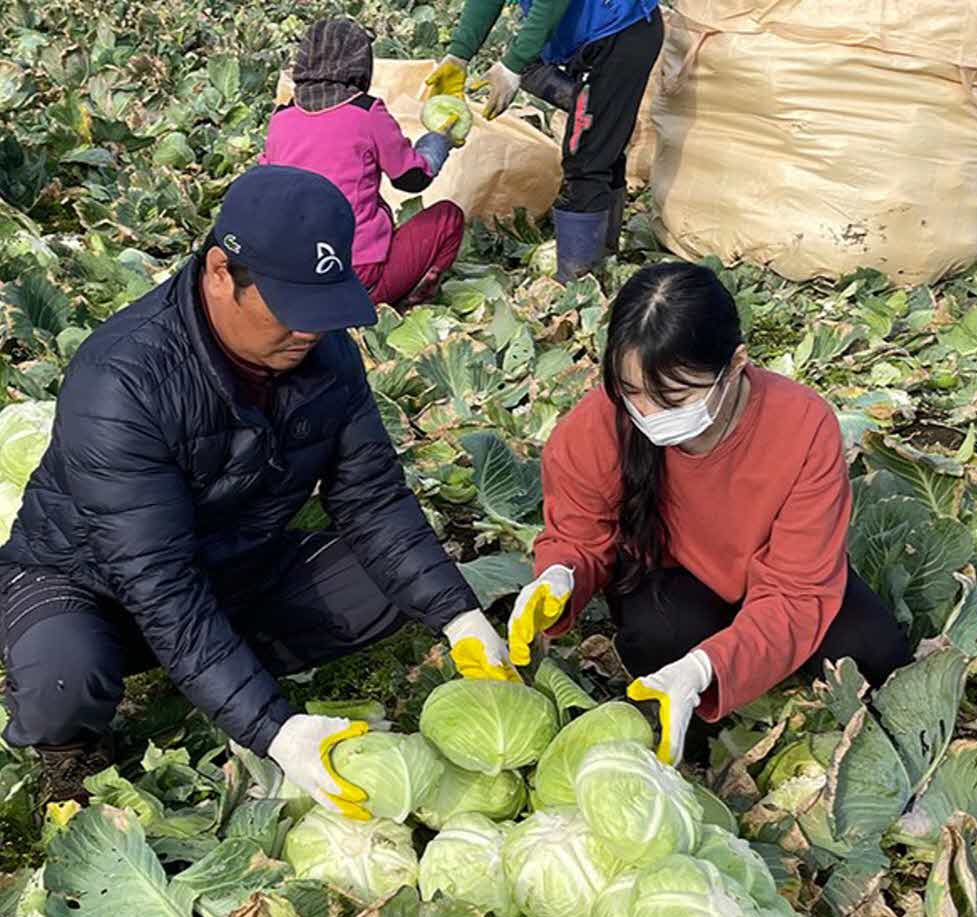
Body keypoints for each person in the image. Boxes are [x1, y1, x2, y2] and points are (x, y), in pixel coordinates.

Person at [0, 165, 516, 812]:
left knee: (383, 582)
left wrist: (457, 614)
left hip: (231, 564)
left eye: (323, 308)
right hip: (89, 582)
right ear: (220, 272)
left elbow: (372, 498)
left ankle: (220, 669)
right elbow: (158, 580)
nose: (309, 331)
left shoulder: (324, 352)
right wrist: (275, 730)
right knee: (62, 678)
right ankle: (74, 750)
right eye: (291, 308)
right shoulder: (122, 380)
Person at [506, 262, 911, 764]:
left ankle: (729, 668)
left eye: (675, 397)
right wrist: (560, 577)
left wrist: (704, 669)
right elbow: (580, 536)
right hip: (675, 573)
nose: (650, 416)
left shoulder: (803, 426)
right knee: (660, 639)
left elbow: (798, 590)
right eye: (632, 393)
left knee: (876, 652)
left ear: (737, 363)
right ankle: (694, 744)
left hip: (786, 576)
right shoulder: (593, 427)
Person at [424, 0, 663, 283]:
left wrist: (512, 66)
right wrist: (458, 55)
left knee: (585, 162)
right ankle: (603, 255)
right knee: (598, 139)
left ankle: (579, 280)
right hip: (584, 40)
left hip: (619, 34)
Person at [261, 18, 466, 308]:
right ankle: (407, 299)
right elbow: (412, 179)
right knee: (448, 217)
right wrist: (439, 140)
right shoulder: (366, 112)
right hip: (356, 276)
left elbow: (262, 185)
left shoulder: (281, 118)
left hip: (293, 276)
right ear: (362, 65)